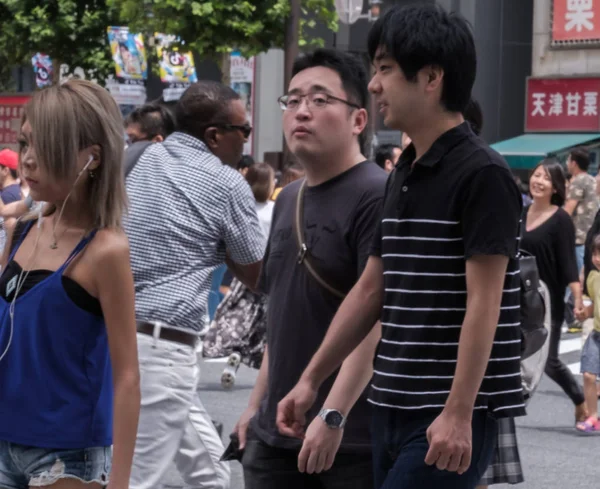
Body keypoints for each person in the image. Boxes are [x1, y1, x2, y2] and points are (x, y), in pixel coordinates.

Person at [276, 5, 525, 489]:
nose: (374, 84)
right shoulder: (404, 171)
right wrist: (311, 379)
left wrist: (458, 413)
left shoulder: (484, 174)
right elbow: (371, 290)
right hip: (391, 402)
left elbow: (485, 303)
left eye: (385, 68)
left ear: (431, 77)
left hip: (446, 412)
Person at [235, 48, 386, 489]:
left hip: (347, 440)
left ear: (358, 120)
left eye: (320, 100)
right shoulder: (287, 198)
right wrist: (255, 407)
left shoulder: (377, 194)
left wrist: (332, 414)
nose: (302, 111)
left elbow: (372, 321)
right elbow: (281, 315)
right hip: (273, 437)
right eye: (293, 100)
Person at [0, 79, 140, 488]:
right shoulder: (21, 230)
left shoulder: (106, 249)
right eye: (26, 143)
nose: (28, 160)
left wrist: (120, 482)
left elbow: (127, 375)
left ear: (91, 157)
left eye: (46, 145)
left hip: (66, 454)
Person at [125, 81, 265, 489]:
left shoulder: (143, 158)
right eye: (244, 131)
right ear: (214, 136)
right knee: (135, 480)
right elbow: (255, 274)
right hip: (163, 350)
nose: (246, 140)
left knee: (212, 475)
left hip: (125, 338)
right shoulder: (226, 183)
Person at [521, 159, 587, 423]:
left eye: (546, 178)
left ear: (556, 187)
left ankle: (579, 400)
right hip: (518, 296)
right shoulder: (520, 212)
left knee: (549, 360)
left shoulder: (561, 220)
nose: (539, 181)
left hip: (548, 300)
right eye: (537, 174)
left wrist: (578, 300)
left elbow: (569, 265)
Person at [203, 162, 275, 387]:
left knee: (235, 316)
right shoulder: (275, 209)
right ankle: (266, 374)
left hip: (245, 271)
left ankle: (232, 355)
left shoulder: (245, 207)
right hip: (269, 273)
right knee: (264, 326)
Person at [564, 147, 599, 333]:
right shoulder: (592, 180)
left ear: (574, 163)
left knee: (575, 280)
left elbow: (568, 210)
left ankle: (573, 316)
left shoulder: (578, 181)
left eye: (568, 160)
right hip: (592, 239)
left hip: (579, 238)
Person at [577, 233, 600, 432]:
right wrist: (585, 313)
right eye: (595, 253)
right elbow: (595, 303)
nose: (597, 258)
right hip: (597, 334)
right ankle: (593, 417)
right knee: (588, 375)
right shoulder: (593, 277)